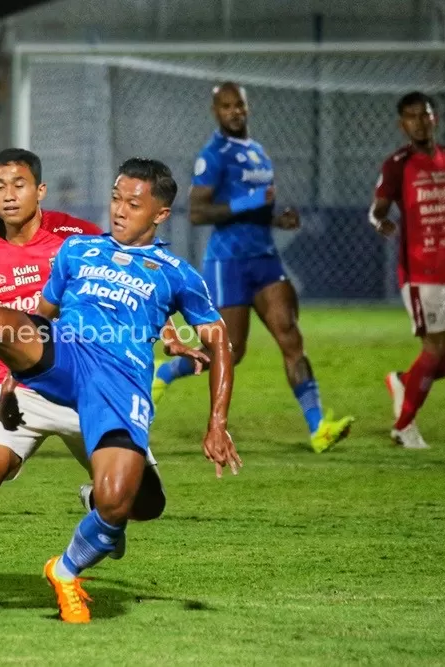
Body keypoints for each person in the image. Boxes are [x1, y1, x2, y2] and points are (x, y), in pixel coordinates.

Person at [0, 157, 240, 623]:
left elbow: (210, 333)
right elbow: (37, 320)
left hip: (115, 387)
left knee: (135, 503)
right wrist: (14, 374)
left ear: (160, 214)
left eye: (133, 203)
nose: (120, 210)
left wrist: (215, 420)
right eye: (115, 199)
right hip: (56, 367)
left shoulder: (156, 265)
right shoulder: (69, 252)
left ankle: (69, 562)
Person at [151, 81, 354, 453]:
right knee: (232, 350)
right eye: (226, 106)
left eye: (239, 105)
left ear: (247, 107)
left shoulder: (259, 153)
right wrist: (251, 202)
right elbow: (197, 212)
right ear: (216, 111)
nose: (234, 112)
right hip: (228, 263)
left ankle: (318, 428)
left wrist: (277, 219)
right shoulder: (213, 155)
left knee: (290, 336)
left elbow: (256, 206)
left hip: (264, 258)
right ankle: (165, 372)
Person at [369, 91, 445, 449]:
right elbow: (375, 211)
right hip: (421, 275)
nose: (419, 122)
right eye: (411, 117)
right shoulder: (398, 164)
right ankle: (403, 426)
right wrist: (381, 223)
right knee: (435, 350)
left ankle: (406, 381)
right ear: (402, 124)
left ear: (434, 118)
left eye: (424, 115)